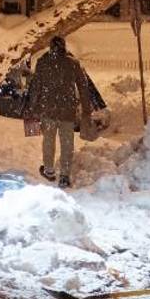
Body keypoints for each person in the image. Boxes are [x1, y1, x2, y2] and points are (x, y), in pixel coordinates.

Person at [26, 35, 92, 189]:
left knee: (48, 140)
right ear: (64, 47)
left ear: (51, 47)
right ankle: (64, 176)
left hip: (48, 110)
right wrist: (86, 111)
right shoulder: (73, 64)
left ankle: (49, 170)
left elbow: (35, 87)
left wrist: (32, 107)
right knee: (67, 143)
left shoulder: (43, 63)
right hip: (67, 111)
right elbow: (83, 87)